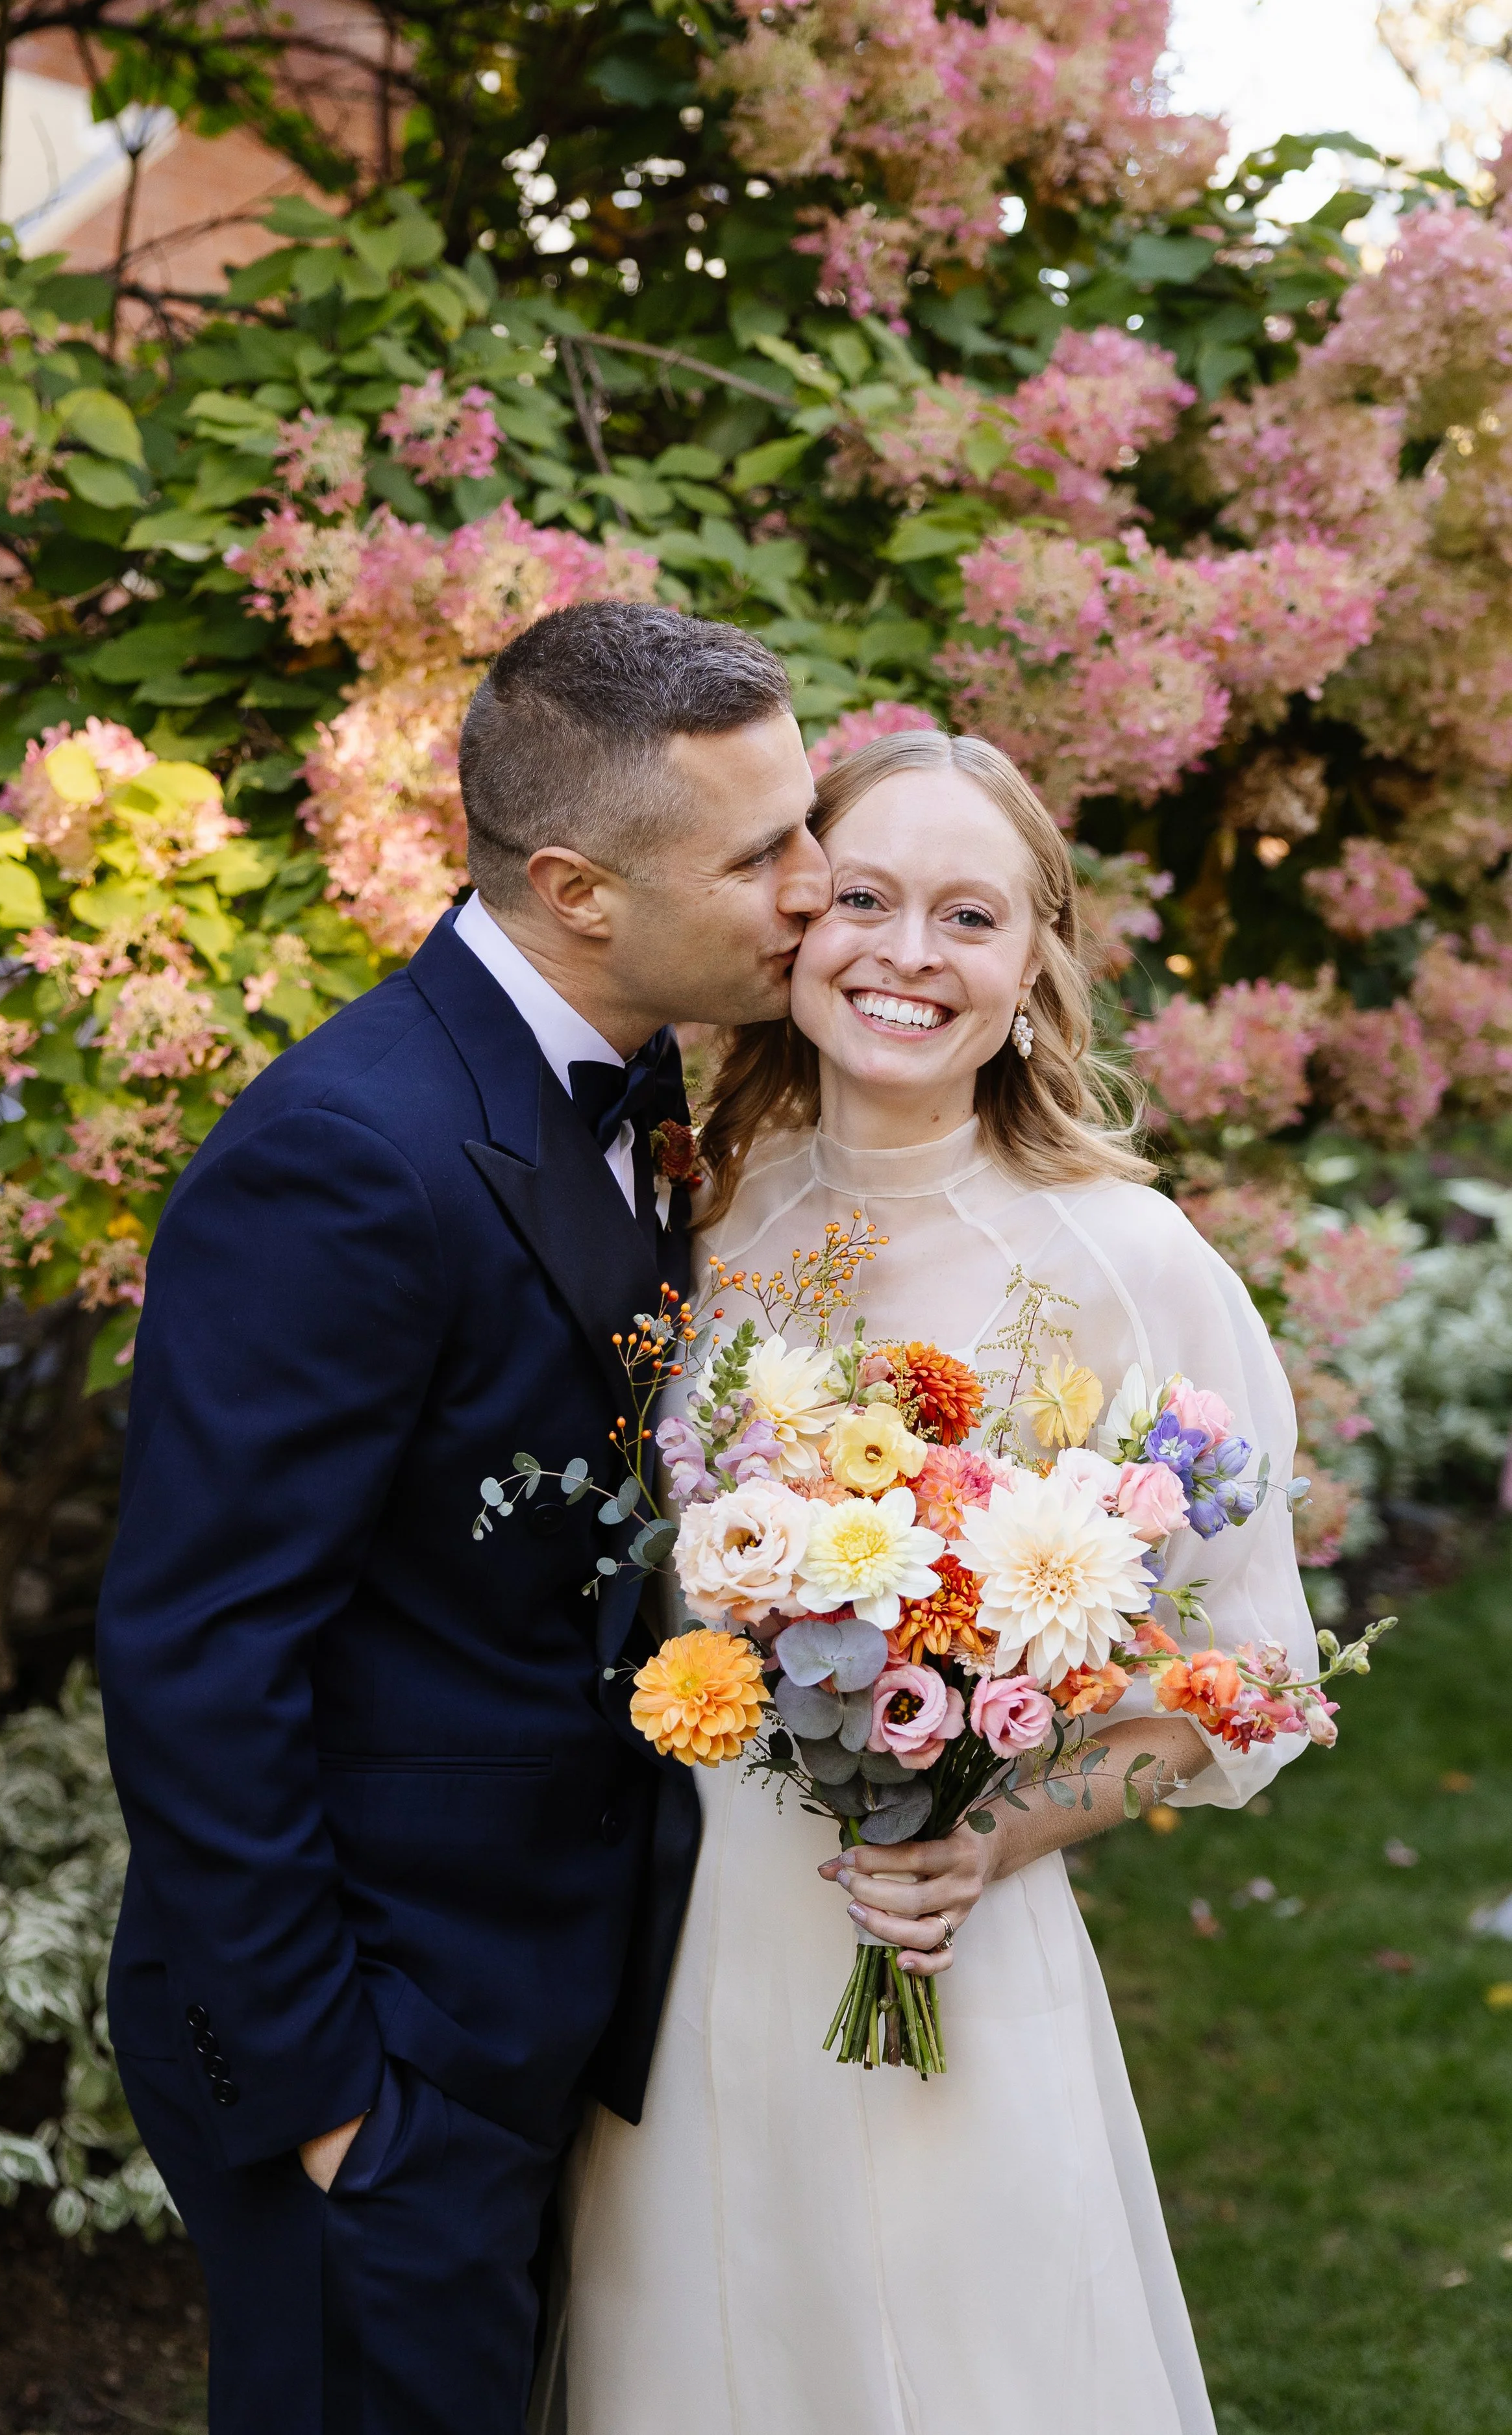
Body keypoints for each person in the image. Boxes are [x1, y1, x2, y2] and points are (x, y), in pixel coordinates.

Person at [94, 600, 830, 2435]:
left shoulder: (640, 1072)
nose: (818, 884)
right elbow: (198, 1646)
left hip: (536, 1987)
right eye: (764, 853)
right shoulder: (342, 1156)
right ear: (579, 888)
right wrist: (338, 2097)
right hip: (375, 2027)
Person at [549, 729, 1317, 2435]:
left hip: (945, 1945)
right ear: (794, 928)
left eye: (966, 915)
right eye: (865, 899)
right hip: (681, 1948)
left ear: (1033, 965)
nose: (906, 952)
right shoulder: (690, 1207)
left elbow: (1257, 1677)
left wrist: (997, 1821)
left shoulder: (1126, 1259)